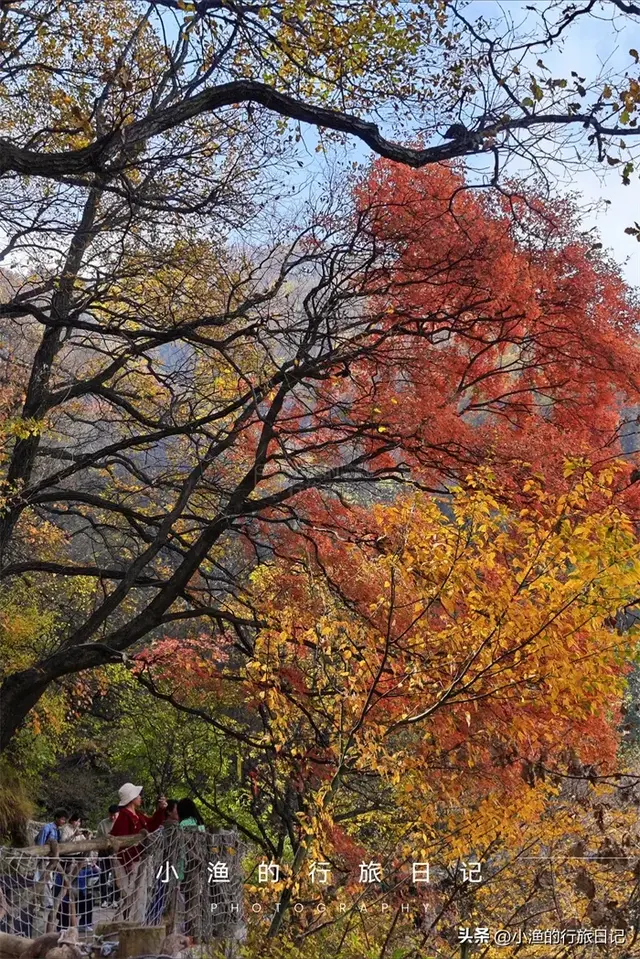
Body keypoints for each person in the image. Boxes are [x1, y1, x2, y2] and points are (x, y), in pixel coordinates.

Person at [110, 784, 167, 920]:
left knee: (139, 897)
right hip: (130, 862)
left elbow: (151, 825)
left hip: (138, 860)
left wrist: (160, 811)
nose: (140, 797)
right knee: (132, 897)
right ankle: (130, 923)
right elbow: (121, 842)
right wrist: (127, 862)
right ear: (132, 798)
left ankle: (135, 922)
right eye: (138, 795)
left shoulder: (137, 815)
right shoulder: (124, 817)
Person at [96, 805, 119, 906]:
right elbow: (97, 838)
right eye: (111, 815)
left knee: (117, 876)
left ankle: (115, 899)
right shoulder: (103, 824)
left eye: (115, 815)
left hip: (118, 853)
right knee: (103, 876)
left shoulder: (121, 823)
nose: (113, 817)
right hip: (104, 853)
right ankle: (104, 899)